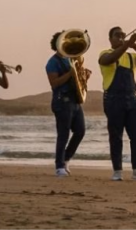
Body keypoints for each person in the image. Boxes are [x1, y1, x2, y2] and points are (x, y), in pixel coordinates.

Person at [98, 26, 136, 181]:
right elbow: (109, 60)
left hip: (132, 98)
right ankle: (117, 170)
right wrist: (126, 45)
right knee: (116, 136)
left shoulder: (131, 56)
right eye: (117, 35)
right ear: (110, 39)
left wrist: (134, 44)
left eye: (123, 35)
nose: (121, 37)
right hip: (113, 99)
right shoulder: (106, 53)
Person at [46, 31, 91, 177]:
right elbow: (54, 83)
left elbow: (77, 80)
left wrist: (84, 76)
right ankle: (59, 166)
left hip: (75, 100)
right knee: (63, 134)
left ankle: (65, 159)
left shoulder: (71, 59)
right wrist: (70, 74)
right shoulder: (52, 62)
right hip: (62, 100)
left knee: (80, 131)